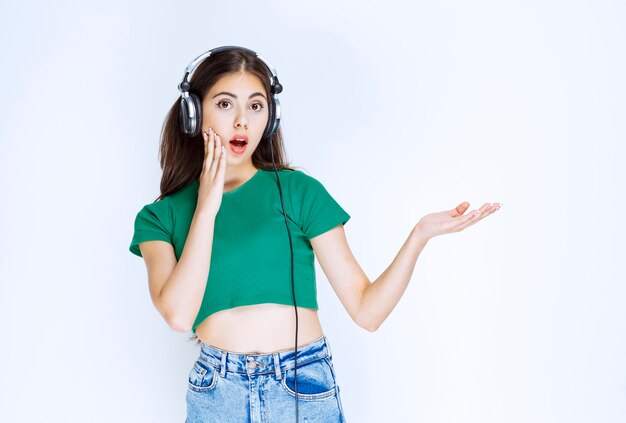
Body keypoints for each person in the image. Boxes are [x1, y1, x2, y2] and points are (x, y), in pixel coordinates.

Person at [129, 46, 501, 423]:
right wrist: (207, 206)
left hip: (302, 384)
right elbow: (178, 316)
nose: (242, 121)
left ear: (270, 118)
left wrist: (420, 234)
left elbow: (367, 311)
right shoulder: (160, 218)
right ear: (193, 114)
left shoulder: (298, 192)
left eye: (256, 106)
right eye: (225, 104)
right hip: (216, 392)